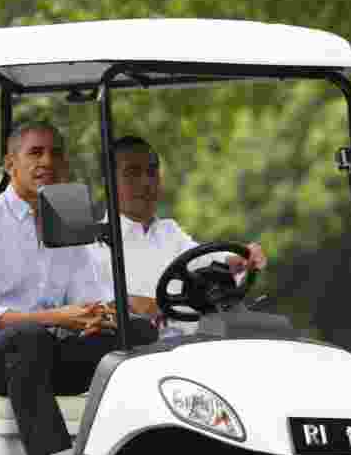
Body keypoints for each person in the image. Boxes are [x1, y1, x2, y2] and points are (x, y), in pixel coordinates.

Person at [0, 122, 157, 455]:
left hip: (38, 358)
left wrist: (100, 318)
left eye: (57, 154)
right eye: (36, 153)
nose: (48, 162)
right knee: (29, 337)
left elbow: (86, 295)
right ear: (11, 164)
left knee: (138, 332)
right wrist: (58, 317)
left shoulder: (69, 219)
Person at [91, 135, 267, 337]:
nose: (146, 182)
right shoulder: (92, 246)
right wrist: (128, 303)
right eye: (132, 173)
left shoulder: (170, 232)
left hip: (197, 345)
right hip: (139, 355)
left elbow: (207, 259)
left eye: (151, 172)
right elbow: (90, 307)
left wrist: (240, 258)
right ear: (108, 182)